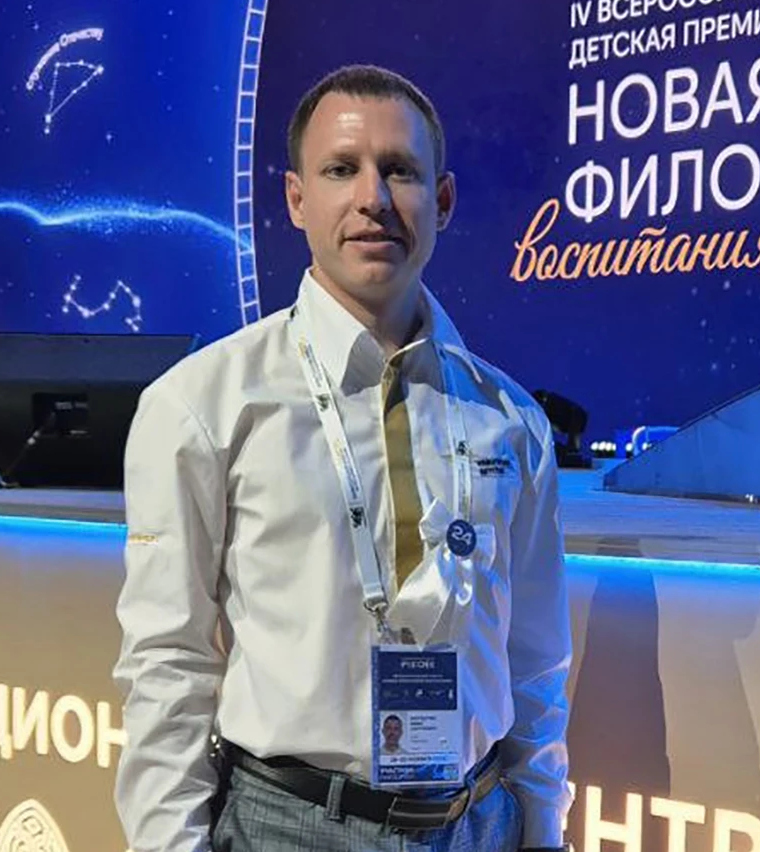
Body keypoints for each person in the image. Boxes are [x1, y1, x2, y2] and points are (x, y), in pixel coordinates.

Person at [113, 65, 572, 852]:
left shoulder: (510, 420)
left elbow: (536, 663)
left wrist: (542, 829)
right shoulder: (203, 405)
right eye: (340, 169)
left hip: (479, 822)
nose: (373, 197)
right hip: (290, 826)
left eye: (400, 170)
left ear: (443, 200)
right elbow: (168, 663)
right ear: (297, 199)